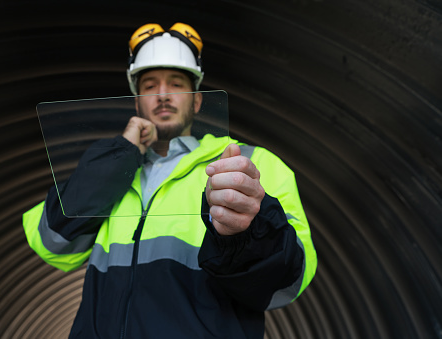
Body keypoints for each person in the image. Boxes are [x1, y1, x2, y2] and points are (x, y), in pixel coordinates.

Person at [23, 22, 317, 338]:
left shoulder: (246, 163)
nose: (163, 95)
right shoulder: (116, 172)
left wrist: (245, 234)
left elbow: (289, 280)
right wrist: (121, 154)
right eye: (149, 86)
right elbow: (51, 241)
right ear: (137, 102)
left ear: (198, 101)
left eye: (177, 84)